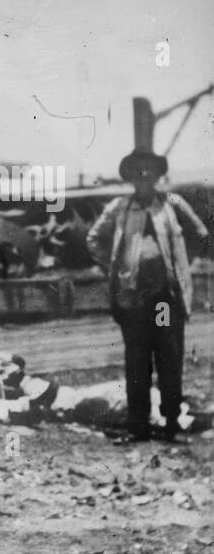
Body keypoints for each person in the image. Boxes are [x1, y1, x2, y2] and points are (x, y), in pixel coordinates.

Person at [87, 148, 208, 443]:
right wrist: (113, 269)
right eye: (138, 173)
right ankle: (138, 426)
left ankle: (170, 424)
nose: (144, 178)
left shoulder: (171, 204)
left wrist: (183, 265)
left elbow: (199, 232)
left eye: (149, 172)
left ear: (157, 176)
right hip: (133, 300)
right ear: (130, 177)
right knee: (137, 360)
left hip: (164, 300)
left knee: (168, 356)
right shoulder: (119, 207)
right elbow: (93, 239)